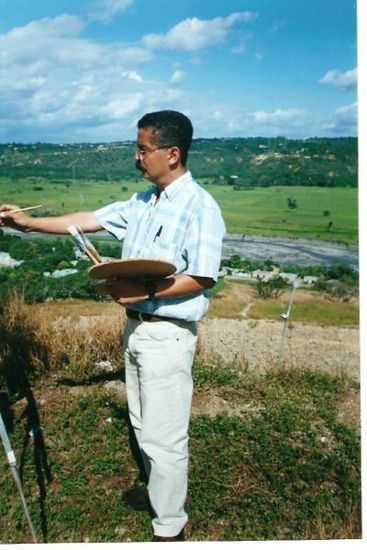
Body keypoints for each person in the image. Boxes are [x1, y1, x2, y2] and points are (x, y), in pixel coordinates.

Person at [0, 110, 225, 542]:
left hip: (167, 334)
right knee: (142, 422)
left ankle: (170, 526)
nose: (136, 157)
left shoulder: (201, 207)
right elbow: (84, 221)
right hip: (136, 329)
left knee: (166, 435)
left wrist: (146, 293)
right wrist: (26, 224)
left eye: (143, 150)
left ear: (172, 154)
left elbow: (202, 276)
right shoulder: (143, 202)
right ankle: (157, 491)